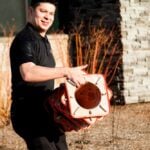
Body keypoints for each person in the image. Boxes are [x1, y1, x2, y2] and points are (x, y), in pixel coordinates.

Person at [9, 0, 87, 149]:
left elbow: (45, 75)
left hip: (46, 110)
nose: (48, 17)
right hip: (28, 114)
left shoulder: (43, 39)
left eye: (51, 13)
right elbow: (28, 72)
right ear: (31, 11)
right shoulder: (25, 39)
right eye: (43, 11)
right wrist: (66, 71)